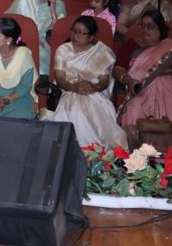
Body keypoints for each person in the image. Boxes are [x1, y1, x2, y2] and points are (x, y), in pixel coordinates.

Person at [49, 15, 126, 147]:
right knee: (76, 109)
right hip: (69, 90)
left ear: (91, 37)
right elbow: (60, 78)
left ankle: (98, 153)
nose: (75, 36)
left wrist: (93, 87)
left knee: (100, 110)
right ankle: (79, 150)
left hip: (94, 93)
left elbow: (103, 81)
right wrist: (74, 87)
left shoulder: (100, 53)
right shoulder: (63, 50)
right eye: (74, 31)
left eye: (81, 33)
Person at [115, 9, 172, 130]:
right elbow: (118, 68)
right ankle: (138, 149)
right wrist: (128, 81)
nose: (144, 30)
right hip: (141, 89)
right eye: (142, 26)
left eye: (150, 26)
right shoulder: (130, 45)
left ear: (160, 27)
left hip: (171, 90)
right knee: (133, 113)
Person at [5, 0, 67, 74]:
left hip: (43, 46)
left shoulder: (59, 5)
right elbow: (9, 21)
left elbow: (58, 35)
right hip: (20, 40)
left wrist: (52, 10)